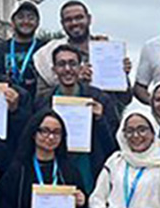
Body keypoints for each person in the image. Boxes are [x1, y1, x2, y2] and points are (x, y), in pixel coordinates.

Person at [32, 44, 121, 190]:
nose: (67, 69)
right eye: (61, 64)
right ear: (54, 70)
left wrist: (100, 120)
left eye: (72, 63)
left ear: (80, 68)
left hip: (90, 169)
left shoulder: (100, 98)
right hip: (56, 171)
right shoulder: (42, 101)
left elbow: (113, 145)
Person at [0, 0, 44, 94]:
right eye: (20, 17)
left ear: (38, 23)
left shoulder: (45, 49)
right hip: (7, 99)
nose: (26, 21)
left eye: (31, 18)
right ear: (12, 22)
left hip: (37, 101)